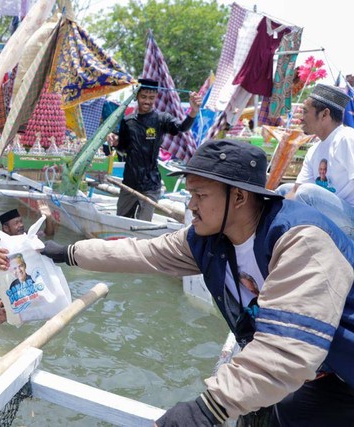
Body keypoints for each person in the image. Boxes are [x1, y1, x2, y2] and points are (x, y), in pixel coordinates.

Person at [41, 139, 354, 426]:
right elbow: (140, 252)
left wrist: (209, 408)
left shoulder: (300, 240)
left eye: (201, 195)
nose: (191, 205)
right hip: (317, 372)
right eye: (190, 194)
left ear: (241, 196)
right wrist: (66, 252)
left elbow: (287, 348)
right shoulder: (210, 241)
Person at [106, 79, 202, 221]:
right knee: (121, 220)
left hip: (150, 185)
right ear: (137, 96)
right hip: (129, 182)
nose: (147, 101)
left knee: (144, 224)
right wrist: (115, 142)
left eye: (151, 98)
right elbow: (123, 150)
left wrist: (193, 111)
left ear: (156, 97)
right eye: (143, 97)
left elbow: (182, 127)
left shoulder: (161, 119)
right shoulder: (128, 121)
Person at [276, 83, 354, 237]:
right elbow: (294, 191)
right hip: (334, 215)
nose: (300, 118)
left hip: (350, 219)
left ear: (324, 114)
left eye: (305, 112)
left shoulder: (346, 138)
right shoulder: (314, 150)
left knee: (307, 193)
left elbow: (304, 193)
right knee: (282, 191)